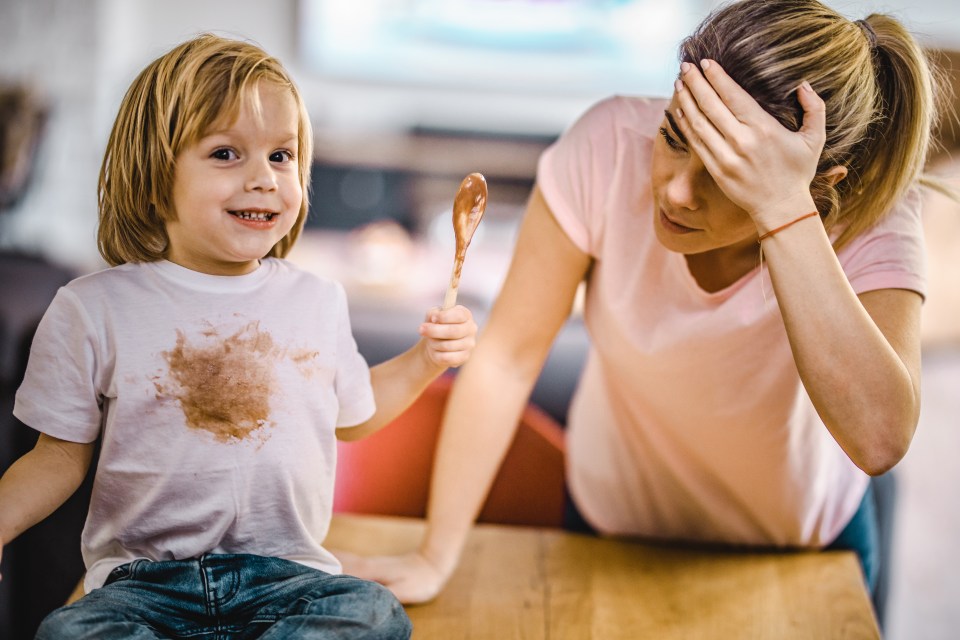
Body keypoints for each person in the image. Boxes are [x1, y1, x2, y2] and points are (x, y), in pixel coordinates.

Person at [340, 0, 949, 609]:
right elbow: (506, 359)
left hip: (796, 549)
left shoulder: (877, 219)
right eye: (673, 137)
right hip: (610, 524)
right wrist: (435, 556)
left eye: (728, 173)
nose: (677, 191)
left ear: (821, 182)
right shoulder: (606, 146)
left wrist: (785, 212)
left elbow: (879, 441)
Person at [0, 34, 477, 639]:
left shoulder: (318, 299)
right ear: (153, 177)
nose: (264, 178)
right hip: (142, 588)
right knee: (66, 634)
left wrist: (425, 360)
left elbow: (352, 414)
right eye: (227, 154)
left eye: (282, 156)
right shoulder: (91, 308)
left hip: (287, 578)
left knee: (374, 615)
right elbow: (57, 457)